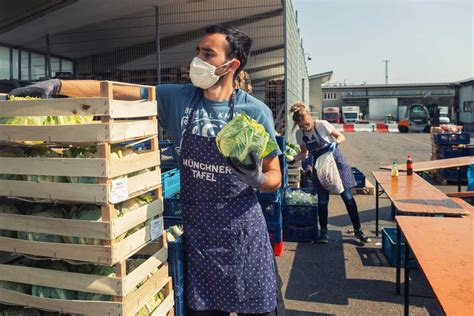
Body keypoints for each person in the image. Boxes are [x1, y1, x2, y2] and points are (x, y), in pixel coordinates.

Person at [10, 25, 285, 316]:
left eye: (208, 53)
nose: (198, 60)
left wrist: (259, 179)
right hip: (199, 235)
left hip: (242, 234)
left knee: (261, 309)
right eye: (198, 51)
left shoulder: (254, 112)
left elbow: (275, 176)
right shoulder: (177, 98)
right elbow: (118, 89)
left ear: (232, 65)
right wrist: (59, 87)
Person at [288, 103, 370, 244]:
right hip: (320, 167)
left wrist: (335, 143)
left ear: (309, 117)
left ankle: (358, 231)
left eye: (306, 124)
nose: (304, 127)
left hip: (336, 162)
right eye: (301, 126)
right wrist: (293, 159)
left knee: (348, 198)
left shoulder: (322, 125)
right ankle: (324, 232)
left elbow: (341, 136)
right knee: (322, 201)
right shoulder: (299, 134)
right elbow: (304, 153)